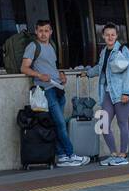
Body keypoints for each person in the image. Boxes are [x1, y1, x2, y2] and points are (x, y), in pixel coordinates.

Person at [20, 20, 90, 168]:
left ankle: (62, 156)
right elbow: (24, 68)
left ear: (51, 32)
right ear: (36, 31)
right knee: (59, 124)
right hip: (46, 90)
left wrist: (61, 74)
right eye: (40, 31)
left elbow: (52, 66)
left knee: (57, 124)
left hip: (57, 88)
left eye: (46, 31)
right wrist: (39, 75)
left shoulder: (51, 46)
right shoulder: (33, 46)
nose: (43, 34)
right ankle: (71, 155)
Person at [82, 23, 129, 166]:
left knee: (122, 123)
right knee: (102, 123)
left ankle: (123, 155)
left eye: (113, 34)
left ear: (117, 36)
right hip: (108, 93)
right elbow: (101, 68)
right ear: (103, 36)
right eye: (107, 35)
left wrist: (126, 92)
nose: (110, 37)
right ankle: (113, 154)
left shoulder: (123, 51)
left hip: (122, 94)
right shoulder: (104, 51)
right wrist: (87, 73)